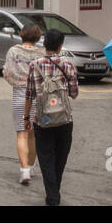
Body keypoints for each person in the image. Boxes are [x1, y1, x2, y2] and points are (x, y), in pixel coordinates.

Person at [24, 28, 79, 206]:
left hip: (43, 120)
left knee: (46, 159)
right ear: (61, 45)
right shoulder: (68, 65)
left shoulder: (35, 64)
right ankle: (54, 194)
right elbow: (74, 93)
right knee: (60, 160)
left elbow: (30, 94)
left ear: (45, 43)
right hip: (64, 119)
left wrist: (26, 118)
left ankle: (53, 197)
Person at [2, 23, 45, 185]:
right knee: (34, 133)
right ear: (37, 36)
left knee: (21, 132)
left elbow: (7, 73)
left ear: (22, 34)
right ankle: (32, 167)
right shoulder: (42, 53)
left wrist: (16, 81)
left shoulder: (13, 51)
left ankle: (24, 170)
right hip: (39, 96)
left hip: (20, 93)